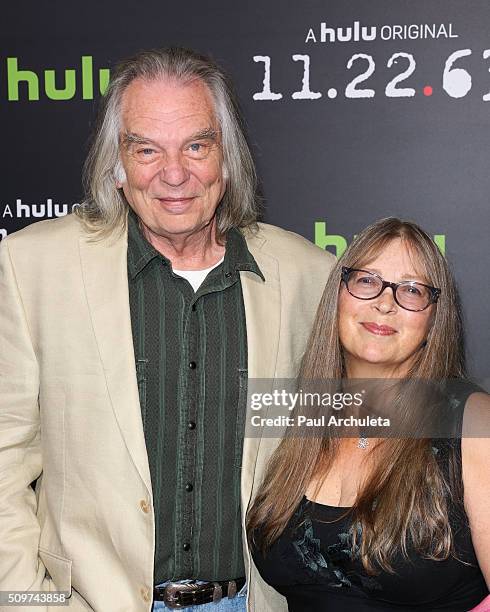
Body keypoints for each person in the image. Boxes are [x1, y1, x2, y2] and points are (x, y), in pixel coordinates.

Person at [0, 48, 334, 611]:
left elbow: (353, 441)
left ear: (227, 160)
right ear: (118, 165)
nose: (173, 174)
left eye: (196, 146)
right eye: (146, 149)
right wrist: (33, 605)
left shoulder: (308, 275)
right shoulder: (32, 267)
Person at [248, 218, 490, 611]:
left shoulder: (473, 422)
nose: (384, 302)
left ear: (433, 319)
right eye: (366, 280)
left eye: (411, 290)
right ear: (337, 296)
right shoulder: (301, 415)